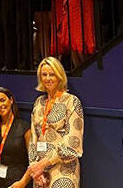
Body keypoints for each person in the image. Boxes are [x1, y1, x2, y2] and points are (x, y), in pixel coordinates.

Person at [27, 57, 84, 188]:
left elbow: (73, 144)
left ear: (59, 75)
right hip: (40, 172)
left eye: (52, 74)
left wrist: (43, 164)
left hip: (63, 170)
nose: (48, 78)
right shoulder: (39, 102)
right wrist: (35, 167)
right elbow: (33, 138)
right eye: (44, 74)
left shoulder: (71, 102)